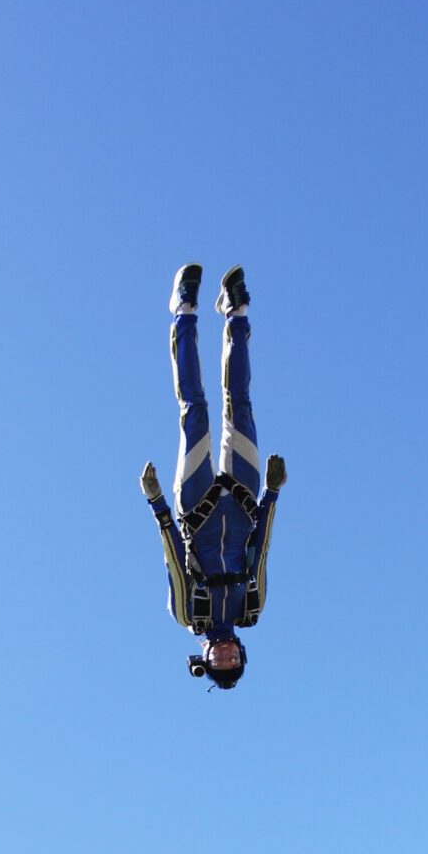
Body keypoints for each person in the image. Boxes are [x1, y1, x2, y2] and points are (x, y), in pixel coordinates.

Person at [141, 263, 285, 688]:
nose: (224, 654)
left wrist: (156, 502)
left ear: (204, 656)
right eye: (232, 659)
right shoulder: (251, 609)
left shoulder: (189, 614)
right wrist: (272, 493)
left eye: (217, 660)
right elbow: (261, 550)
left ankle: (183, 310)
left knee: (195, 412)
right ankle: (237, 314)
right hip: (243, 501)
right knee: (240, 403)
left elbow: (172, 557)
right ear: (240, 652)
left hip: (196, 505)